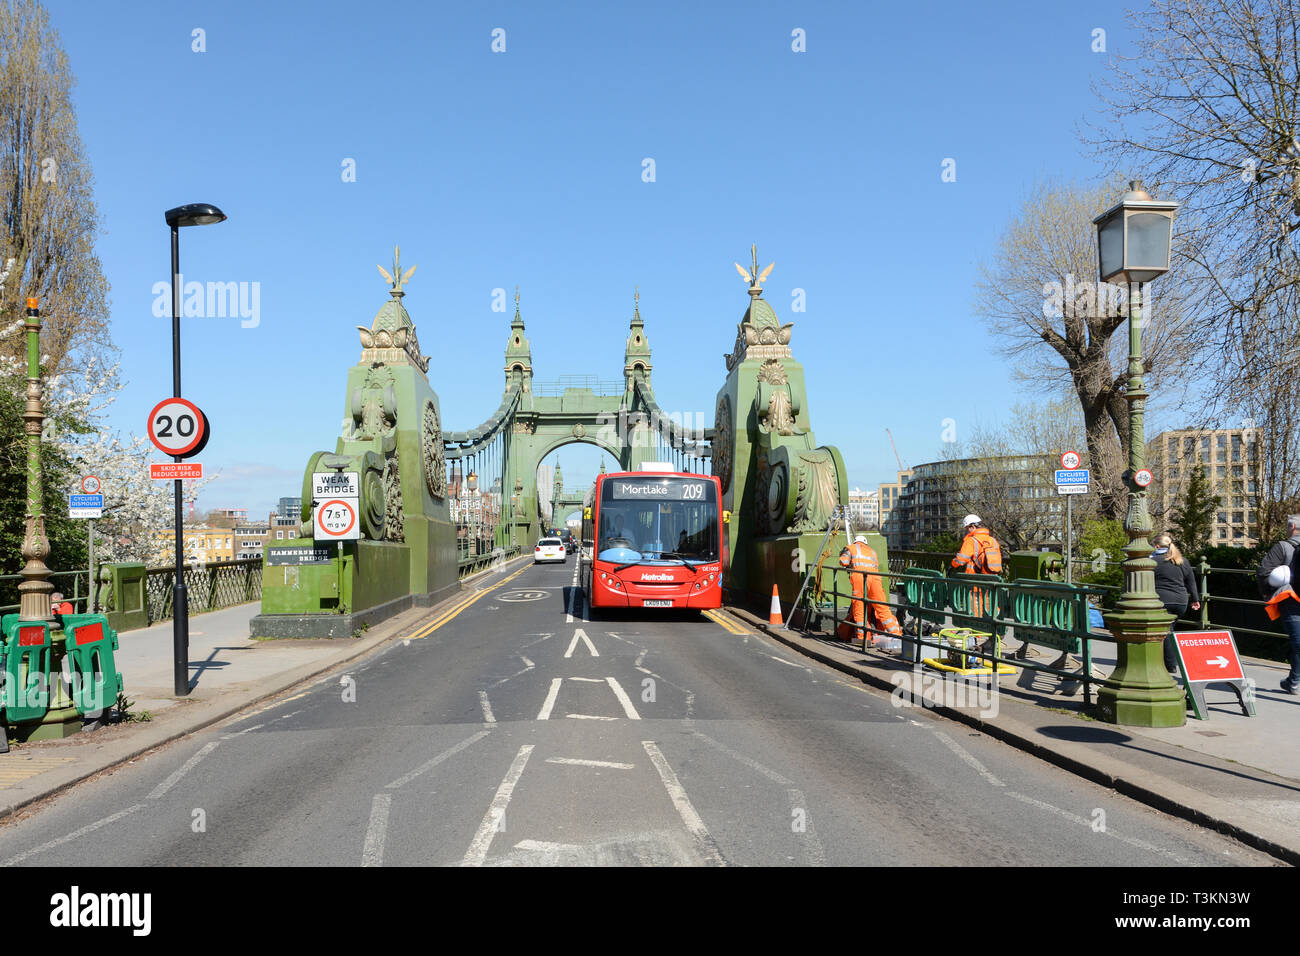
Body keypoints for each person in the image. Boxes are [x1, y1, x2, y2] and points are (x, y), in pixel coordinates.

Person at [1256, 515, 1300, 695]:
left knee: (1298, 642)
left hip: (1290, 600)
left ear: (1292, 527)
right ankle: (1294, 681)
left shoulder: (1283, 547)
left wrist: (1267, 592)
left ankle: (1294, 681)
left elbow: (1263, 571)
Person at [836, 534, 901, 643]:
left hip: (860, 579)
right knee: (882, 608)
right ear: (865, 543)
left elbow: (844, 562)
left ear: (855, 542)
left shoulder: (850, 548)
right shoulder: (872, 551)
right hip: (875, 580)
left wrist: (846, 560)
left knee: (860, 609)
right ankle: (897, 636)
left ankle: (864, 639)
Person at [1152, 532, 1201, 675]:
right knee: (1170, 628)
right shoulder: (1182, 561)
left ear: (1157, 546)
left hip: (1162, 600)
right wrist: (1195, 599)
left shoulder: (1153, 561)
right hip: (1180, 601)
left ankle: (1170, 664)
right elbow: (1191, 581)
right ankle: (1168, 660)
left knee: (1167, 631)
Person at [952, 515, 1002, 620]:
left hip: (975, 579)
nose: (967, 531)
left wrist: (953, 564)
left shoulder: (971, 540)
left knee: (975, 605)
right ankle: (997, 628)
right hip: (991, 579)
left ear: (972, 526)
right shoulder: (993, 540)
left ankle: (977, 632)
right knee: (990, 603)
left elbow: (961, 560)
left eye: (967, 528)